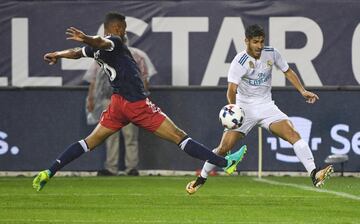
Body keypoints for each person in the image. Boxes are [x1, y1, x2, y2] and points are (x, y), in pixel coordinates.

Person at [32, 12, 247, 191]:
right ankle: (225, 163)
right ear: (115, 29)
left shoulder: (97, 50)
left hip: (117, 105)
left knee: (89, 142)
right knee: (179, 137)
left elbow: (78, 53)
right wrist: (87, 37)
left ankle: (49, 171)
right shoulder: (113, 42)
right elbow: (99, 41)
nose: (125, 32)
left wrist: (57, 54)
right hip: (136, 104)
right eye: (123, 28)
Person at [185, 24, 334, 195]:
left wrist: (302, 90)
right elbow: (231, 89)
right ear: (246, 41)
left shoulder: (271, 53)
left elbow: (288, 71)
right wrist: (234, 108)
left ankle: (315, 173)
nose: (259, 46)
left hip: (266, 106)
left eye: (262, 41)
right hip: (244, 108)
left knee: (293, 134)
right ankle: (200, 179)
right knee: (224, 148)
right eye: (255, 42)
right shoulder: (239, 62)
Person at [84, 36, 157, 176]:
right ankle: (113, 167)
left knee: (129, 136)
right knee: (111, 135)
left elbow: (145, 78)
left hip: (131, 99)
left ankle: (131, 167)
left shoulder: (137, 55)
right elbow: (94, 79)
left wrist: (142, 98)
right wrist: (91, 98)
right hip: (110, 98)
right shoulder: (101, 53)